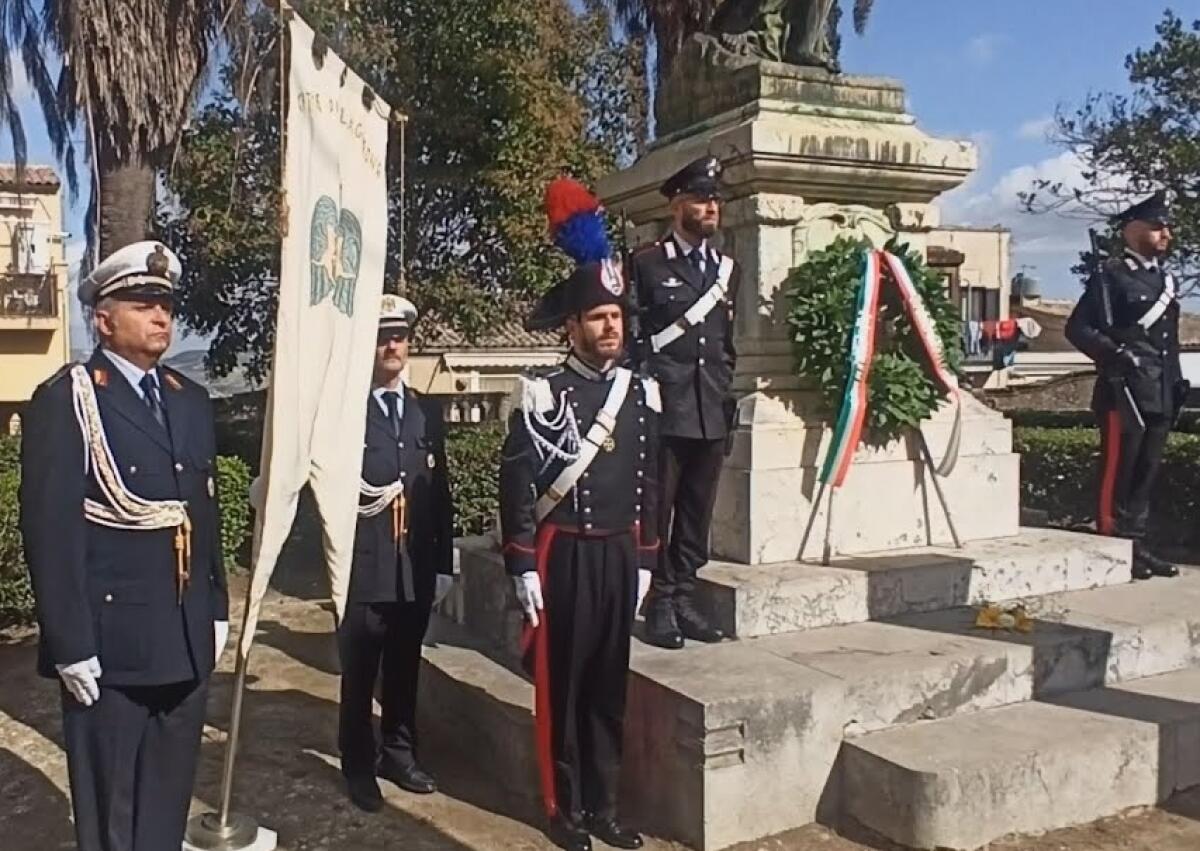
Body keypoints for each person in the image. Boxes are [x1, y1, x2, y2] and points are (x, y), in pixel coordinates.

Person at [19, 241, 229, 851]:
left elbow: (201, 512)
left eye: (165, 303)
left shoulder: (190, 401)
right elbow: (50, 530)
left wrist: (214, 605)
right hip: (111, 646)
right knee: (112, 811)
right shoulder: (69, 400)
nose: (160, 316)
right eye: (142, 303)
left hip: (184, 636)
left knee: (166, 800)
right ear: (103, 318)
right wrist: (70, 642)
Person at [500, 250, 659, 851]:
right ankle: (563, 807)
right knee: (563, 689)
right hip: (563, 554)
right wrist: (522, 562)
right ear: (572, 325)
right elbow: (516, 488)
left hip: (619, 555)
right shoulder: (542, 394)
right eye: (597, 317)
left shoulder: (639, 393)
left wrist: (646, 558)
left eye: (617, 316)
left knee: (607, 688)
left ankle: (605, 806)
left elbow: (651, 484)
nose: (611, 328)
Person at [338, 294, 455, 811]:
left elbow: (442, 492)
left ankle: (399, 754)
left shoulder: (425, 413)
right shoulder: (346, 412)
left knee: (405, 666)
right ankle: (358, 763)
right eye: (383, 337)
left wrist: (445, 564)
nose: (392, 346)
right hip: (366, 564)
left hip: (414, 566)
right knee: (360, 672)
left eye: (399, 337)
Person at [629, 154, 740, 650]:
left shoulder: (725, 269)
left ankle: (682, 596)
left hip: (710, 409)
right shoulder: (646, 263)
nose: (711, 207)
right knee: (658, 512)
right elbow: (634, 339)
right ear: (678, 205)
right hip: (665, 410)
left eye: (715, 199)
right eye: (701, 198)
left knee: (696, 517)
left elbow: (724, 343)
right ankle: (657, 603)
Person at [1066, 190, 1189, 580]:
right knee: (1119, 469)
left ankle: (1137, 543)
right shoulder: (1111, 278)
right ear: (1132, 229)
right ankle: (1112, 541)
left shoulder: (1165, 280)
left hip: (1161, 389)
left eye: (1166, 226)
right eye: (1156, 226)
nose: (1165, 233)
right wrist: (1114, 354)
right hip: (1125, 391)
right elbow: (1078, 328)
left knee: (1146, 471)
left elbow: (1166, 342)